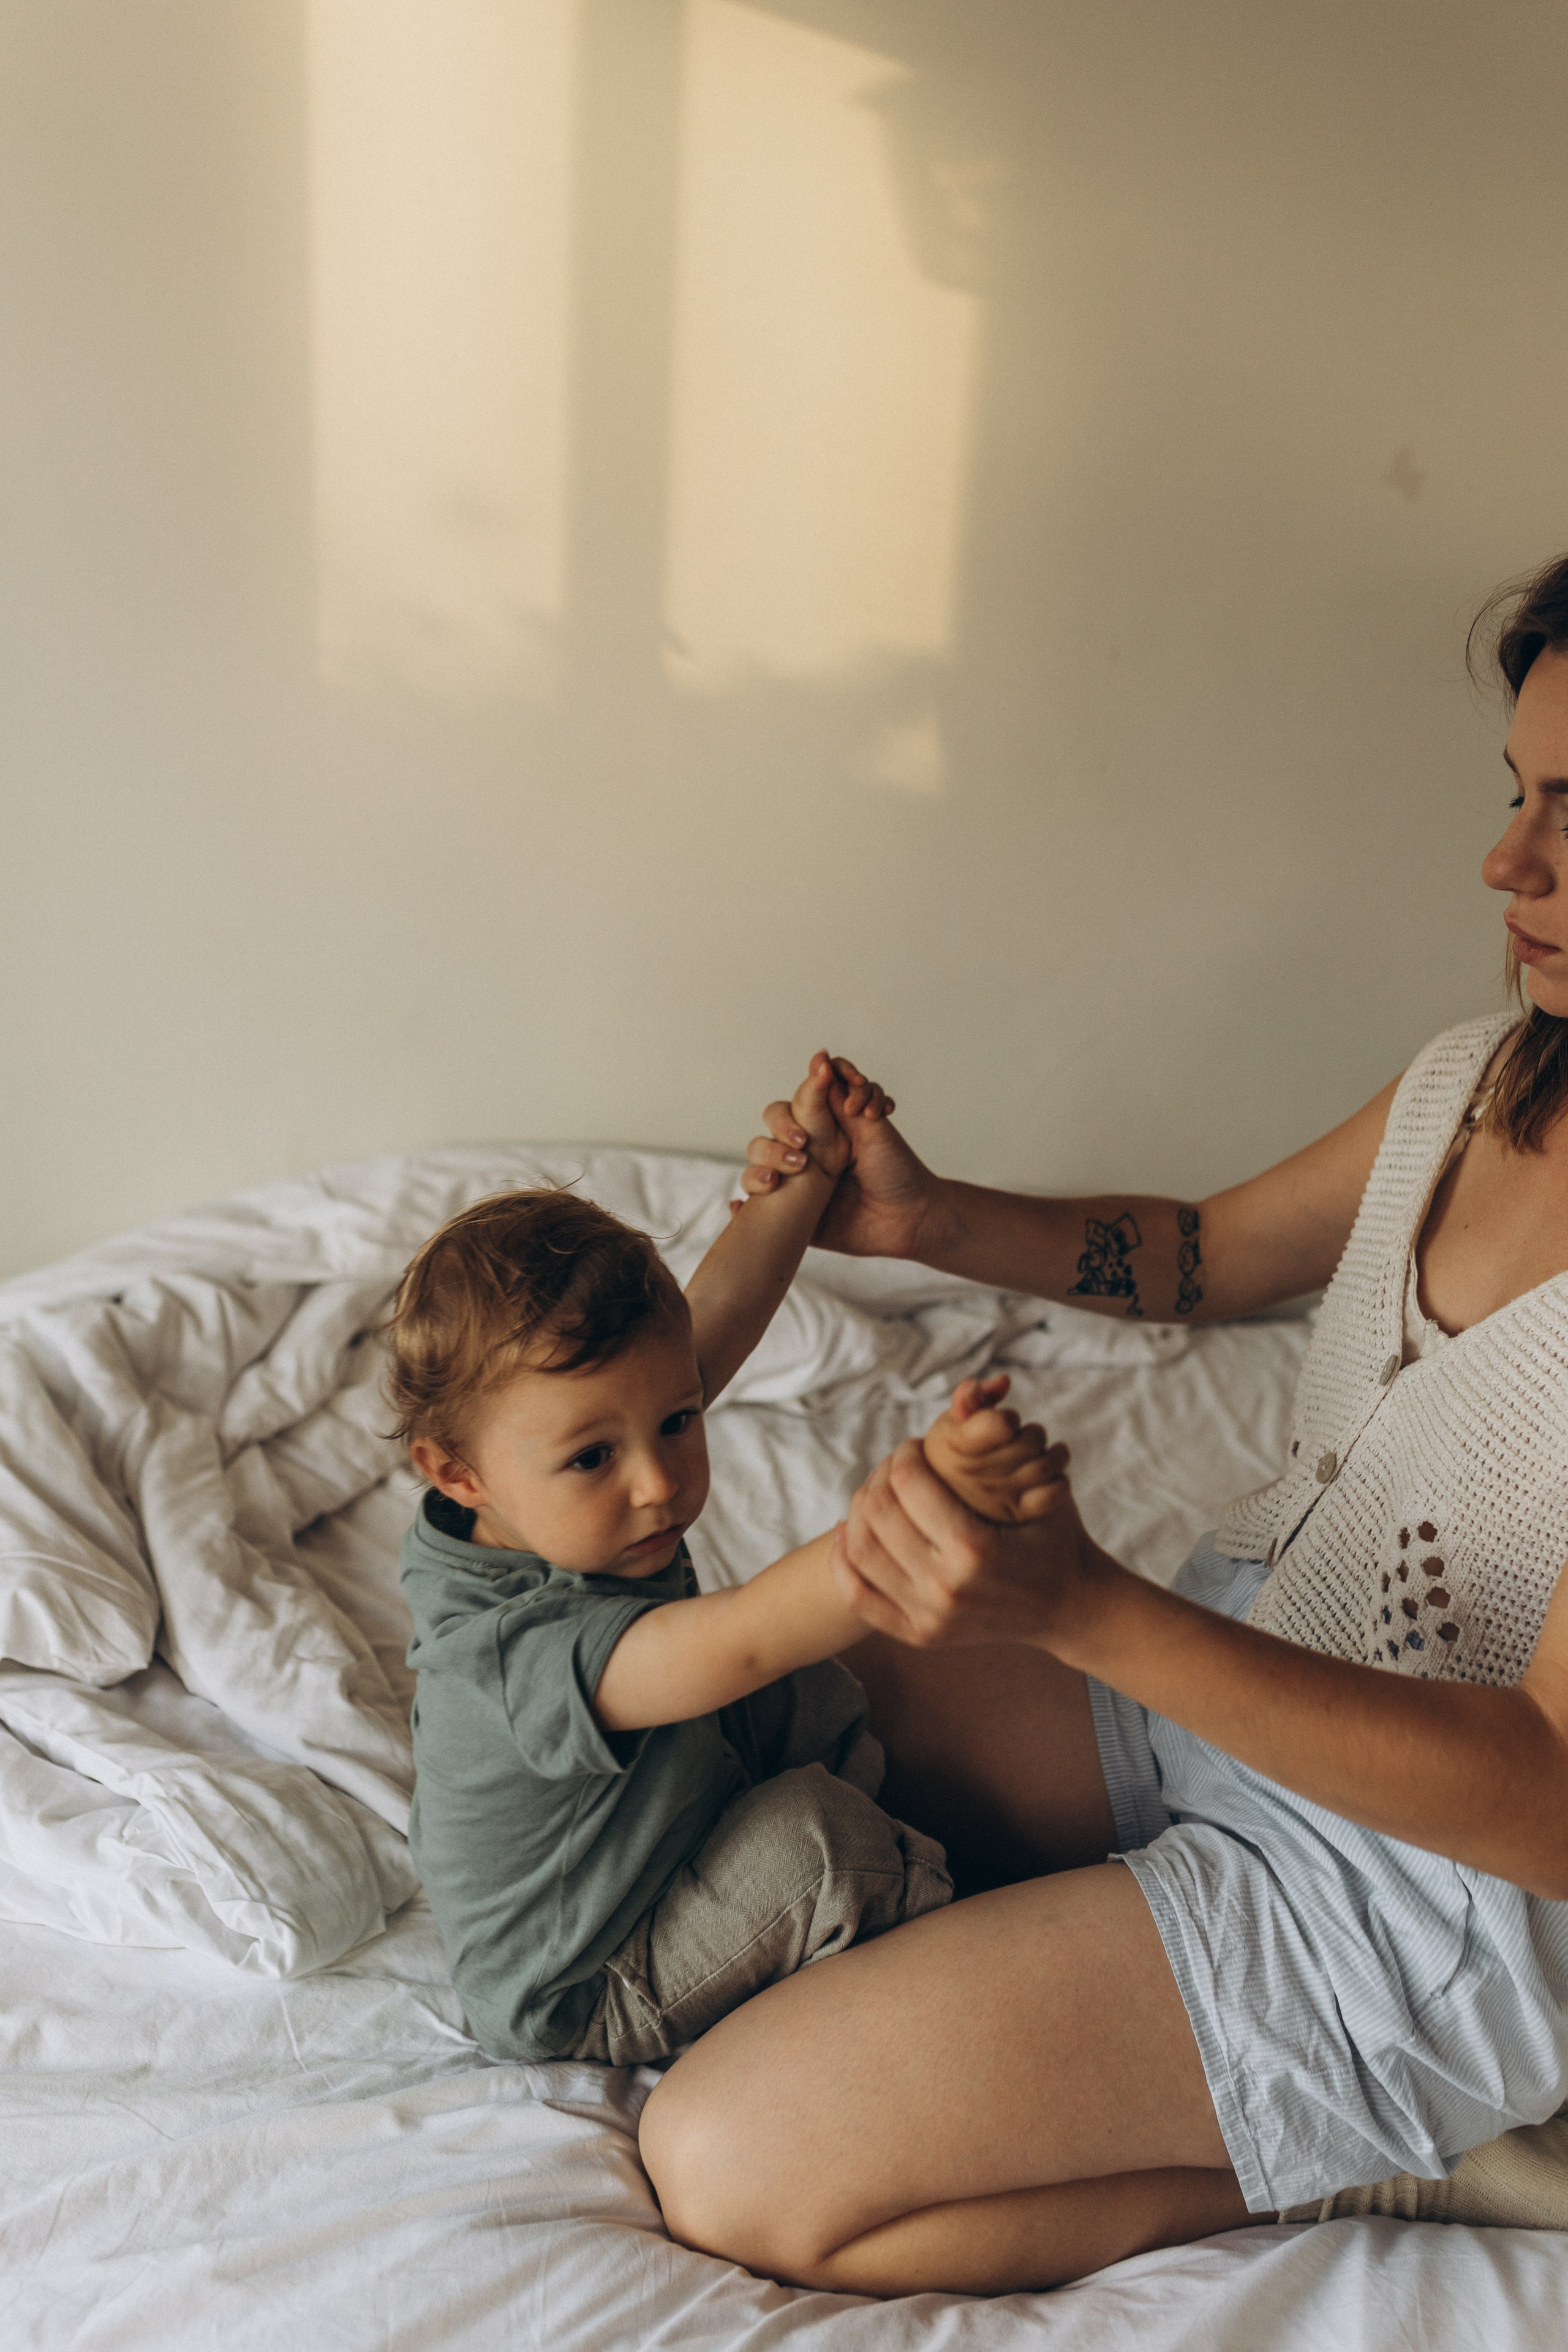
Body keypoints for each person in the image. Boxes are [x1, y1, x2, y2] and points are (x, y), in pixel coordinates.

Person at [636, 553, 1568, 2297]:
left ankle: (1373, 2164)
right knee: (794, 1700)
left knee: (730, 2164)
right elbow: (1212, 1252)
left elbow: (1554, 1805)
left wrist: (1078, 1607)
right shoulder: (1479, 1077)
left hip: (1432, 1901)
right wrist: (927, 1220)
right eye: (1516, 796)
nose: (1506, 863)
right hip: (1241, 1688)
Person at [387, 1054, 1061, 2067]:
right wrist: (921, 1511)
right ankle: (982, 1945)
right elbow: (740, 1642)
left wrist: (808, 1177)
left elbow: (719, 1317)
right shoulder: (512, 1657)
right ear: (457, 1473)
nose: (657, 1482)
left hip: (672, 1828)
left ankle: (915, 1838)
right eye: (593, 1458)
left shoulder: (544, 1493)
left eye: (677, 1422)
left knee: (820, 1698)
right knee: (814, 1843)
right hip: (600, 1980)